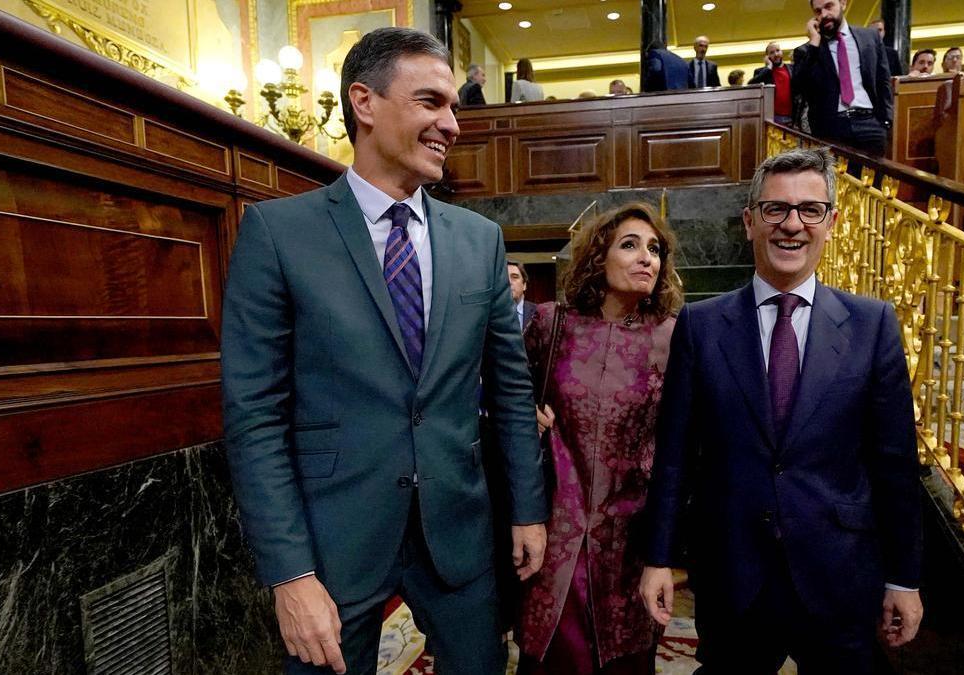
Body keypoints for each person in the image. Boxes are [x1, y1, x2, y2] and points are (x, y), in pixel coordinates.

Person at [221, 27, 549, 675]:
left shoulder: (478, 240)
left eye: (453, 106)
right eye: (431, 102)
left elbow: (512, 390)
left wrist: (529, 511)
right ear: (364, 103)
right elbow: (255, 418)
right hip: (333, 543)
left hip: (459, 534)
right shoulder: (278, 234)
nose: (452, 124)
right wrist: (290, 574)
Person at [639, 148, 923, 674]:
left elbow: (895, 466)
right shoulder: (700, 326)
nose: (792, 224)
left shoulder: (873, 325)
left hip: (840, 573)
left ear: (832, 222)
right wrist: (659, 557)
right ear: (749, 221)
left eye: (809, 210)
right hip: (734, 572)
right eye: (775, 210)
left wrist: (904, 578)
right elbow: (674, 456)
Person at [517, 202, 682, 675]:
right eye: (629, 245)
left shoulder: (672, 336)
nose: (645, 257)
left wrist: (665, 551)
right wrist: (523, 416)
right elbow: (505, 398)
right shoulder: (552, 324)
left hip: (629, 538)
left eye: (654, 249)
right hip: (554, 530)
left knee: (623, 659)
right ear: (597, 257)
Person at [792, 0, 894, 156]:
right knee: (836, 180)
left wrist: (886, 121)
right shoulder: (807, 50)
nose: (824, 15)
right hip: (832, 128)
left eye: (829, 6)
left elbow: (883, 80)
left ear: (843, 3)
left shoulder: (870, 37)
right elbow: (799, 87)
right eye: (818, 11)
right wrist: (814, 42)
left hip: (870, 124)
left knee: (875, 179)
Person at [750, 41, 794, 124]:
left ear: (782, 52)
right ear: (767, 56)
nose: (776, 54)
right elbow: (751, 84)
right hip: (773, 117)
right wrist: (768, 67)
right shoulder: (761, 72)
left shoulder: (792, 68)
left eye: (778, 50)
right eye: (772, 52)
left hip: (793, 116)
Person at [508, 260, 537, 332]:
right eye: (504, 278)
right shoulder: (490, 315)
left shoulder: (538, 313)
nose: (509, 282)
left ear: (524, 285)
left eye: (514, 277)